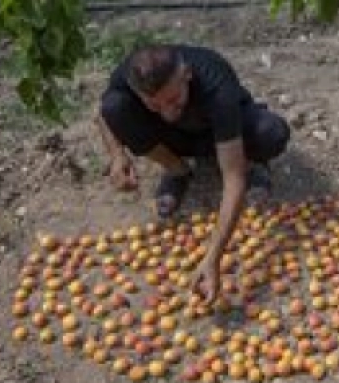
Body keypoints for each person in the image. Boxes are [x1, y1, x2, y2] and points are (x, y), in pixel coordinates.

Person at [95, 44, 291, 302]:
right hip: (177, 138)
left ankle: (250, 162)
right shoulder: (131, 74)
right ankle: (177, 171)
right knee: (114, 107)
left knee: (271, 132)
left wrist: (213, 258)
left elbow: (232, 179)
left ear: (187, 74)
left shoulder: (215, 82)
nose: (167, 112)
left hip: (223, 130)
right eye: (154, 105)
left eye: (174, 99)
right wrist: (117, 155)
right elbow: (101, 113)